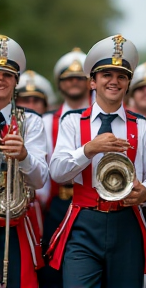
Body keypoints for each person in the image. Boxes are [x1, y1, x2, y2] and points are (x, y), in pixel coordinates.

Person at [46, 34, 146, 288]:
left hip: (127, 223)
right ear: (92, 82)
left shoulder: (143, 127)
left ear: (128, 84)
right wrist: (89, 149)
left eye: (121, 77)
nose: (114, 82)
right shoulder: (72, 122)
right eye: (106, 76)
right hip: (83, 223)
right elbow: (57, 172)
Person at [39, 47, 92, 288]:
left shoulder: (103, 117)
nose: (73, 82)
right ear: (59, 84)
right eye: (68, 78)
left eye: (79, 77)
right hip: (58, 204)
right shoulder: (45, 120)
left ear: (90, 82)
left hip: (94, 202)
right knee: (52, 271)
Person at [0, 35, 48, 287]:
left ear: (16, 81)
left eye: (7, 74)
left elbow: (40, 180)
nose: (1, 78)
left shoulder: (32, 121)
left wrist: (24, 156)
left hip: (13, 223)